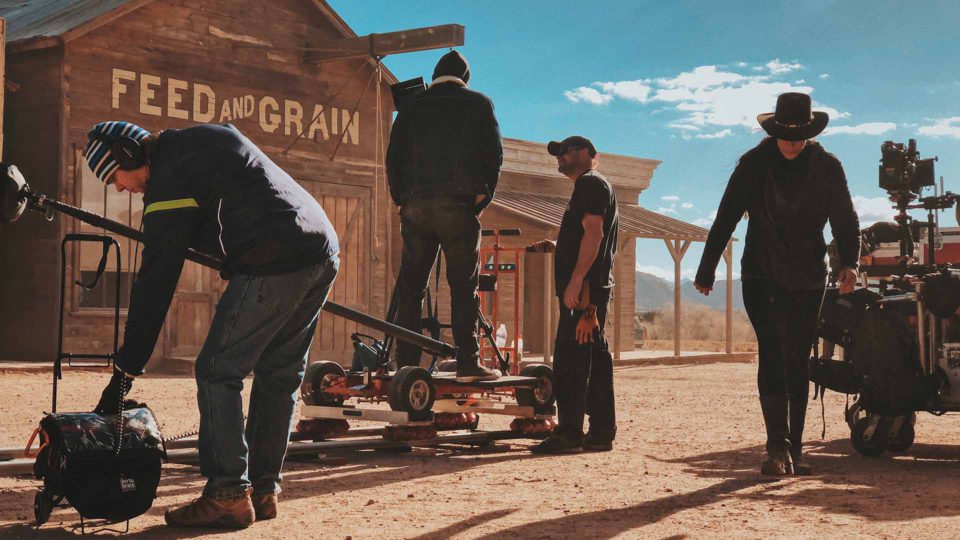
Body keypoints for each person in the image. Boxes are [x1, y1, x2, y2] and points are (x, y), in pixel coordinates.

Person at [85, 121, 340, 528]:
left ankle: (227, 495)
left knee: (217, 370)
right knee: (279, 373)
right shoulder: (201, 142)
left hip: (275, 256)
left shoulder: (169, 181)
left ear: (128, 155)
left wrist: (125, 371)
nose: (119, 188)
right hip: (321, 246)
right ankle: (262, 488)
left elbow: (155, 282)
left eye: (114, 177)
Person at [694, 92, 860, 476]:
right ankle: (776, 448)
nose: (791, 142)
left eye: (798, 135)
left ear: (809, 132)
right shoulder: (754, 164)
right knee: (771, 350)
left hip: (807, 275)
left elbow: (844, 219)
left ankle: (795, 448)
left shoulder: (828, 166)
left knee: (797, 357)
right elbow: (727, 216)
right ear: (774, 132)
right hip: (760, 272)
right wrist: (706, 270)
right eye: (785, 135)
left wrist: (848, 263)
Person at [386, 50, 503, 382]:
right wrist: (481, 198)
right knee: (462, 287)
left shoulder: (411, 108)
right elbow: (493, 154)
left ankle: (406, 363)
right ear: (465, 77)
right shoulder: (479, 103)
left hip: (415, 207)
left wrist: (401, 198)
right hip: (458, 206)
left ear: (435, 74)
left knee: (411, 287)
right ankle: (467, 362)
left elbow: (393, 158)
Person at [530, 135, 619, 454]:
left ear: (587, 153)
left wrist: (577, 283)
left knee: (570, 361)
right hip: (590, 290)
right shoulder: (593, 186)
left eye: (565, 153)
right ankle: (600, 433)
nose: (560, 159)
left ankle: (569, 433)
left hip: (585, 293)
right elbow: (588, 235)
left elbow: (595, 234)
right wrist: (560, 247)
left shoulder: (590, 184)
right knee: (595, 360)